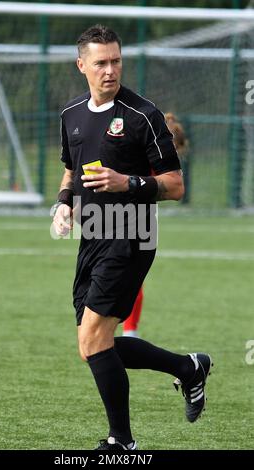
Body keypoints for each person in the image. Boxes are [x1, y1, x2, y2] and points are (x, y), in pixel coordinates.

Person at [51, 25, 212, 451]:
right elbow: (71, 168)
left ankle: (121, 441)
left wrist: (128, 183)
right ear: (81, 65)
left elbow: (175, 186)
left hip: (131, 236)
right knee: (92, 347)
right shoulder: (71, 115)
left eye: (116, 60)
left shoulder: (144, 115)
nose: (110, 70)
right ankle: (188, 367)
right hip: (93, 237)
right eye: (101, 62)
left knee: (93, 340)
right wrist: (64, 203)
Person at [123, 113, 189, 338]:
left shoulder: (162, 165)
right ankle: (126, 331)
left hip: (142, 218)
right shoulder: (144, 149)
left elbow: (166, 191)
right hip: (117, 215)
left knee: (133, 276)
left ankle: (129, 332)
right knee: (122, 275)